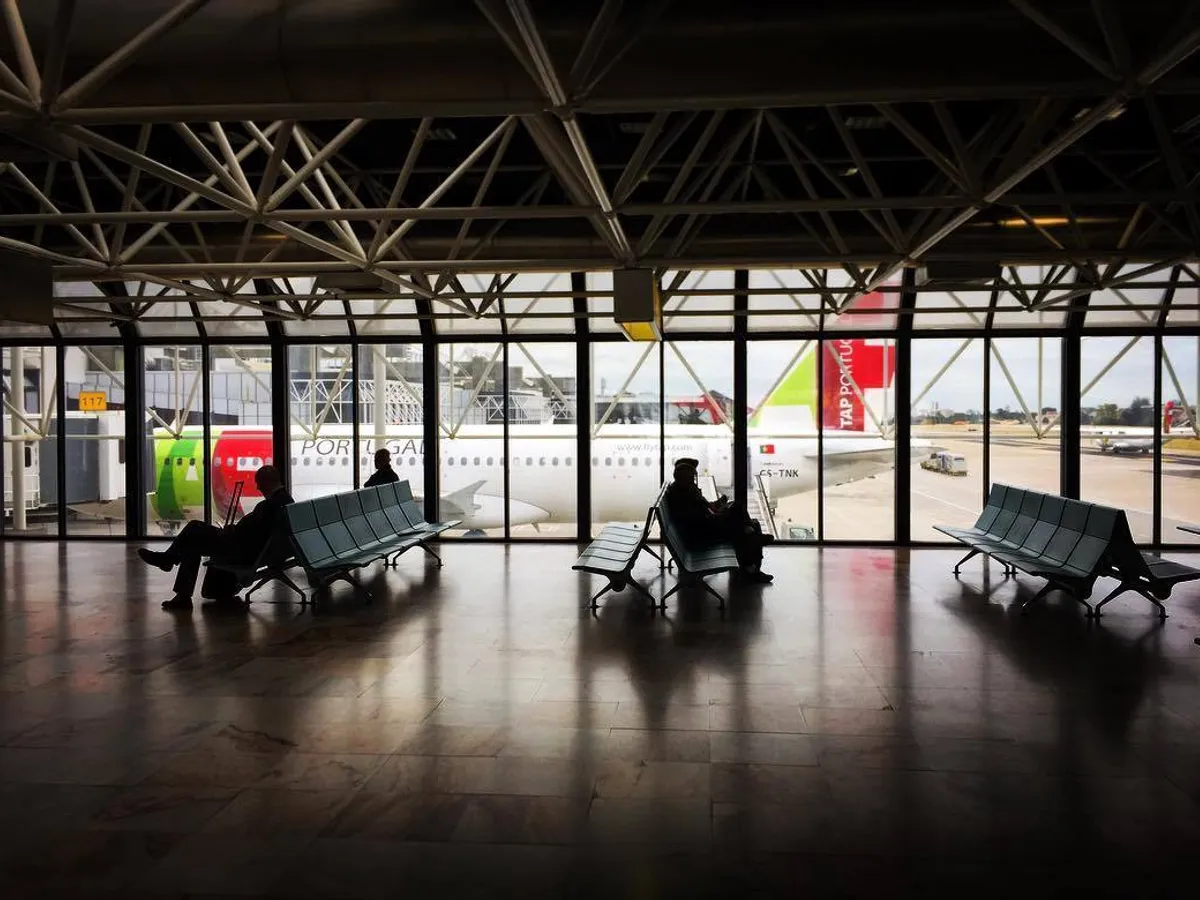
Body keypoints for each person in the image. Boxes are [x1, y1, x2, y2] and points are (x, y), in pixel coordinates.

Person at [138, 465, 294, 611]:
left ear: (266, 482)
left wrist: (230, 531)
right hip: (252, 549)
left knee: (194, 529)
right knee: (193, 538)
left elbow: (251, 535)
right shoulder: (285, 501)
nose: (258, 487)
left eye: (259, 483)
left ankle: (172, 570)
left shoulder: (269, 506)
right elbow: (257, 533)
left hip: (240, 548)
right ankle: (173, 572)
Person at [664, 457, 774, 584]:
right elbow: (698, 519)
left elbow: (702, 511)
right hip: (702, 534)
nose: (694, 480)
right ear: (684, 478)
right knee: (742, 520)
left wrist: (718, 508)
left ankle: (751, 559)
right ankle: (752, 564)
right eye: (691, 478)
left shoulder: (681, 491)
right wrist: (719, 515)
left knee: (741, 518)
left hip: (702, 528)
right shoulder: (685, 494)